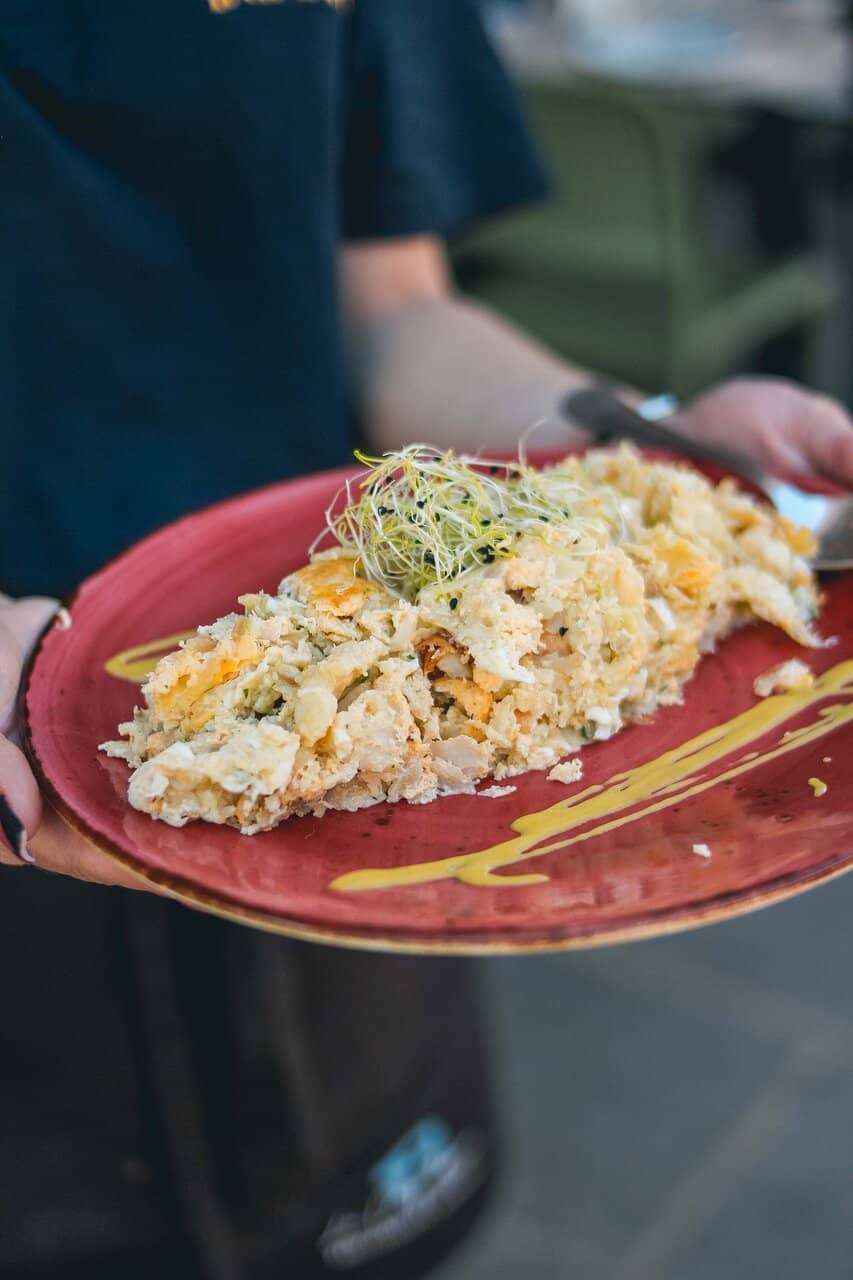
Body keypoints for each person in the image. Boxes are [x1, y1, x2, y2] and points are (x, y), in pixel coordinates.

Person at [2, 2, 852, 1277]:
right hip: (33, 802)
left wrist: (660, 449)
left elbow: (396, 313)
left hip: (349, 775)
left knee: (370, 1214)